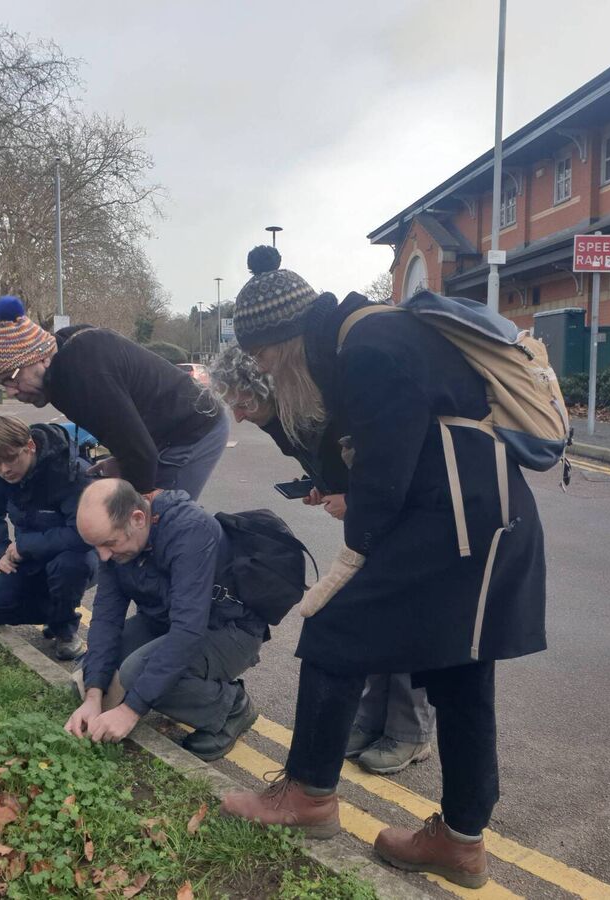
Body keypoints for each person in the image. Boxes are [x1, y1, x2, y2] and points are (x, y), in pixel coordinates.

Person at [218, 246, 547, 889]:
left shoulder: (368, 347)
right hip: (474, 517)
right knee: (459, 680)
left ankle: (308, 797)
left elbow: (385, 478)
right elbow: (360, 454)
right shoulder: (357, 340)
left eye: (259, 359)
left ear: (281, 344)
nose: (260, 371)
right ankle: (459, 841)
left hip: (460, 521)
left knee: (337, 629)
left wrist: (355, 549)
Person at [209, 343, 437, 775]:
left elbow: (389, 467)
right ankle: (372, 718)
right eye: (231, 404)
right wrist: (322, 485)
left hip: (407, 517)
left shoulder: (325, 403)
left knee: (406, 617)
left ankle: (411, 732)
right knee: (373, 616)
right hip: (369, 518)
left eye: (243, 402)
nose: (236, 415)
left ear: (269, 386)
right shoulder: (282, 417)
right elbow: (334, 465)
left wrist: (351, 498)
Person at [64, 479, 264, 761]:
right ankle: (119, 688)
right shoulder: (116, 543)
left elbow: (187, 632)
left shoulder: (191, 531)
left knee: (134, 673)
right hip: (165, 620)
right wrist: (94, 696)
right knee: (93, 671)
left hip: (228, 630)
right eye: (96, 546)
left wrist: (130, 711)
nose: (103, 556)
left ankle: (231, 708)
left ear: (137, 518)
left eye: (109, 543)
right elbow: (106, 618)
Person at [0, 296, 228, 499]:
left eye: (12, 377)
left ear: (43, 357)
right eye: (2, 383)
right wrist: (120, 460)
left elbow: (141, 454)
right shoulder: (62, 364)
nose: (11, 391)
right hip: (165, 432)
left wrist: (137, 504)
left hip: (193, 428)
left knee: (162, 523)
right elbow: (128, 429)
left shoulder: (81, 376)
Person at [0, 415, 96, 661]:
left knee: (69, 566)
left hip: (75, 556)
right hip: (28, 557)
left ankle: (65, 629)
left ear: (30, 446)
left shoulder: (69, 472)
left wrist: (26, 545)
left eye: (10, 459)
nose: (4, 469)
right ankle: (55, 610)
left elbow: (84, 534)